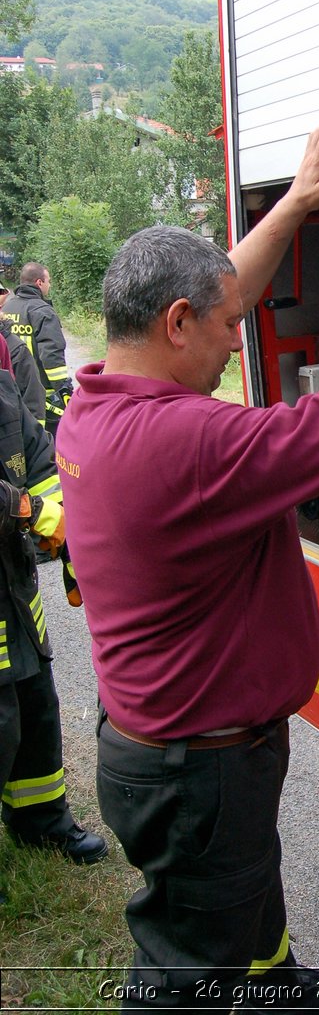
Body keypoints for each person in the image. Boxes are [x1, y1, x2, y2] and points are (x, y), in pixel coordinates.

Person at [56, 120, 319, 1013]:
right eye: (223, 330)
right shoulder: (188, 441)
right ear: (176, 324)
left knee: (244, 892)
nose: (229, 348)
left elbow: (213, 295)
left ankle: (274, 984)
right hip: (195, 769)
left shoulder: (97, 400)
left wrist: (292, 206)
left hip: (173, 751)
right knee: (184, 980)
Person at [0, 334, 107, 907]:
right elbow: (23, 496)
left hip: (10, 582)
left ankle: (41, 818)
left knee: (34, 700)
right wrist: (29, 511)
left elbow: (34, 451)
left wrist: (68, 532)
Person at [3, 264, 73, 440]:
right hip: (42, 395)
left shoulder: (8, 309)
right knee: (46, 442)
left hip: (11, 389)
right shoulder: (42, 311)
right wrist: (62, 389)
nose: (49, 285)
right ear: (39, 282)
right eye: (48, 281)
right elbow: (52, 354)